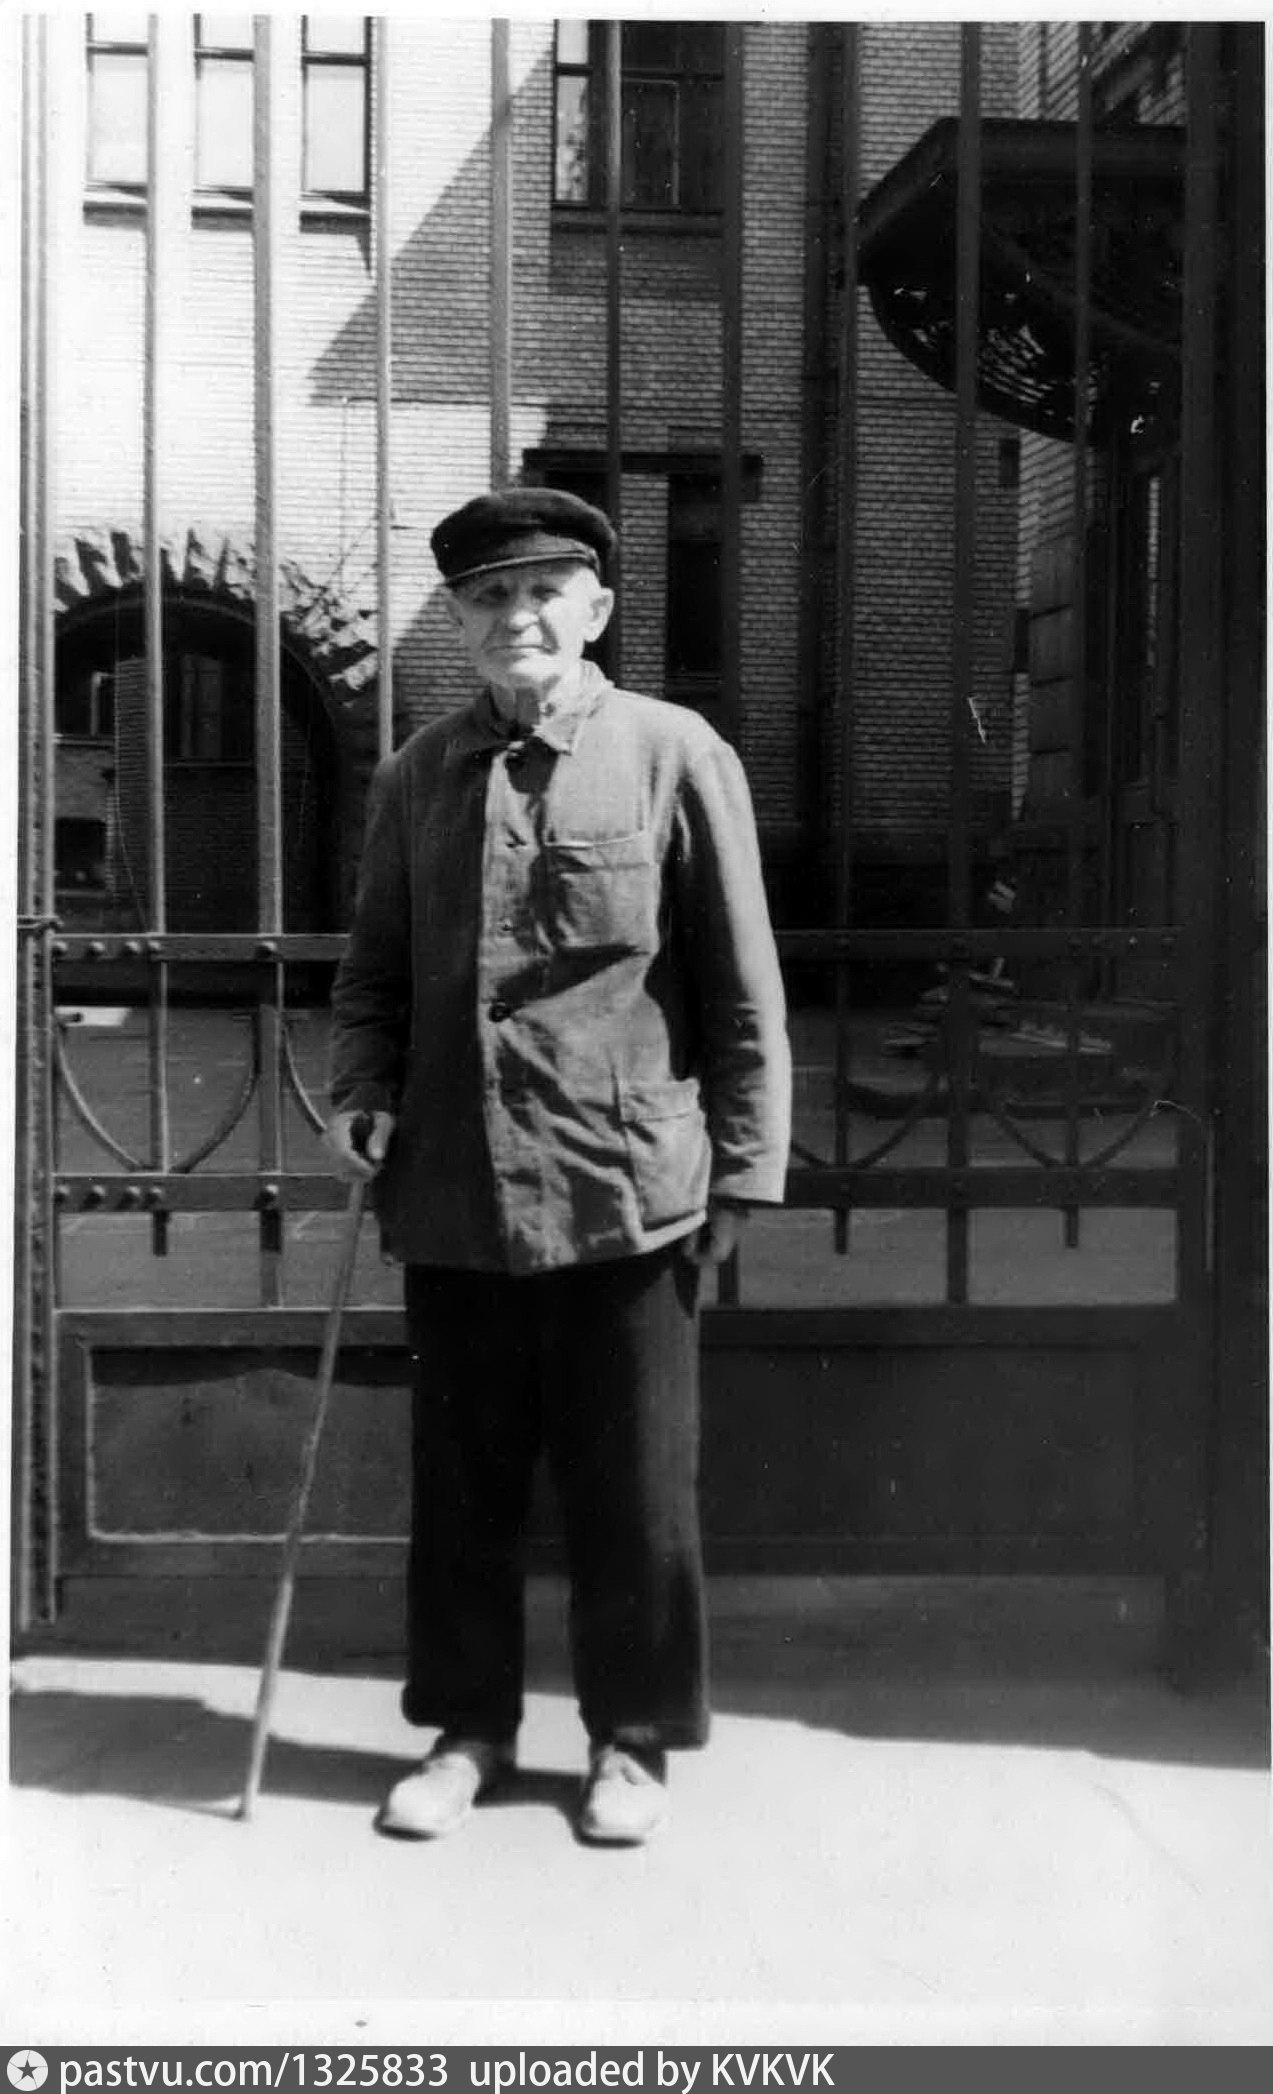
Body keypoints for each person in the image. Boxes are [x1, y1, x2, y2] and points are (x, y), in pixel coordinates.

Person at [325, 487, 791, 1845]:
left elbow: (741, 986)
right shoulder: (416, 776)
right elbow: (371, 977)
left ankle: (629, 1744)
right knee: (461, 1490)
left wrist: (744, 1174)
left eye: (542, 593)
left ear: (594, 610)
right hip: (455, 1190)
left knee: (633, 1494)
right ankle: (466, 1733)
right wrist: (359, 1094)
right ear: (458, 621)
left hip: (626, 1189)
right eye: (488, 597)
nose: (515, 616)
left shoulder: (672, 752)